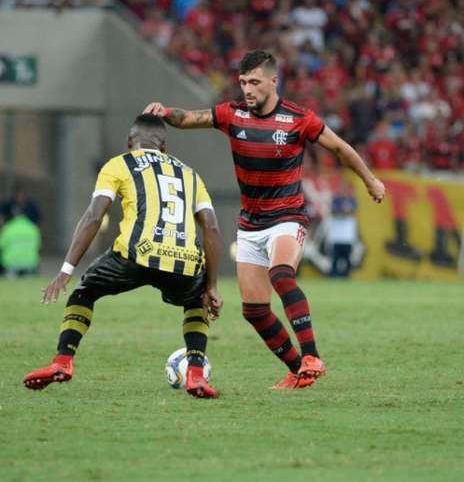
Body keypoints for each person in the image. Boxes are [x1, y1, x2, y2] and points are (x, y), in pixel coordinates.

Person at [144, 49, 385, 390]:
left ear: (274, 81)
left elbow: (341, 149)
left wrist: (371, 180)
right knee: (254, 310)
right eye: (243, 82)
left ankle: (312, 355)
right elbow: (189, 118)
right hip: (250, 224)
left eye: (254, 82)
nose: (247, 89)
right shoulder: (232, 114)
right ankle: (298, 369)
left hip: (288, 217)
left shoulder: (298, 118)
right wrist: (165, 111)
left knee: (281, 274)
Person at [22, 114, 223, 399]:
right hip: (185, 260)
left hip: (135, 254)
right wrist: (211, 285)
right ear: (164, 147)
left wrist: (66, 269)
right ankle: (196, 375)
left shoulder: (119, 163)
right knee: (195, 300)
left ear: (130, 142)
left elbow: (94, 215)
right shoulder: (190, 173)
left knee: (85, 291)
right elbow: (212, 227)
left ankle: (63, 362)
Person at [0, 207, 41, 276]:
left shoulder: (8, 228)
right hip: (30, 264)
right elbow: (38, 246)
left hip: (11, 264)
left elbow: (1, 246)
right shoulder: (33, 228)